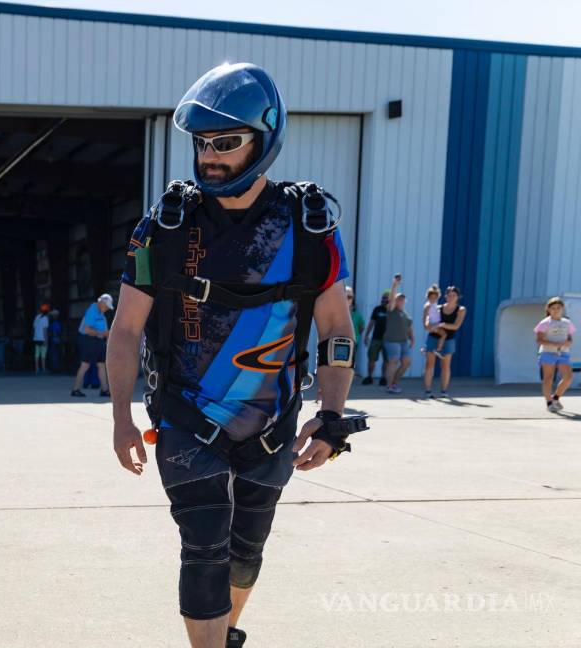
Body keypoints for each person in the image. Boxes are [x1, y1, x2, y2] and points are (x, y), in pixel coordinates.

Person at [108, 63, 361, 648]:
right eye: (202, 144)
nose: (210, 157)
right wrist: (122, 415)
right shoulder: (163, 227)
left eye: (226, 143)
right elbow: (124, 329)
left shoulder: (309, 225)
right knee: (203, 546)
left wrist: (332, 415)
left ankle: (225, 634)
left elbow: (336, 329)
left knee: (247, 549)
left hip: (274, 423)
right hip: (185, 417)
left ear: (264, 139)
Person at [422, 286, 467, 398]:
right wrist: (429, 325)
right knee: (429, 364)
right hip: (433, 337)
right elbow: (428, 324)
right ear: (445, 296)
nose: (451, 297)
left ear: (458, 297)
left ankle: (444, 391)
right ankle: (428, 391)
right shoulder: (437, 308)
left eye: (454, 295)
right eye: (449, 295)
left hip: (449, 340)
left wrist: (443, 325)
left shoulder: (461, 309)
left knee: (445, 366)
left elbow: (456, 326)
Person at [535, 297, 575, 412]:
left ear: (562, 309)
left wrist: (567, 343)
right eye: (553, 308)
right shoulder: (545, 323)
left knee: (568, 378)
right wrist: (553, 344)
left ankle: (556, 398)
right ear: (549, 309)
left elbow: (570, 339)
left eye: (558, 308)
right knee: (548, 378)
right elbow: (539, 340)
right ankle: (549, 403)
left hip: (563, 353)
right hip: (547, 353)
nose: (556, 310)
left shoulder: (567, 322)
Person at [71, 294, 112, 397]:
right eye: (106, 306)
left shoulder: (101, 313)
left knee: (101, 365)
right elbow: (87, 330)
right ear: (101, 303)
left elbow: (104, 331)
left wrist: (105, 337)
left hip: (98, 341)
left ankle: (104, 390)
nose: (107, 309)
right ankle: (75, 389)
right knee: (85, 364)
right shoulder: (92, 311)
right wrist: (104, 333)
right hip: (88, 340)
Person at [381, 278, 413, 394]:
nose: (401, 301)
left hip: (404, 341)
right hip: (391, 340)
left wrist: (412, 339)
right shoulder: (391, 310)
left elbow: (409, 327)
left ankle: (394, 382)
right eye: (399, 299)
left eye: (403, 300)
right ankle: (389, 386)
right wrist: (395, 285)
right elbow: (392, 298)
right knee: (393, 361)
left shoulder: (405, 314)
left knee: (406, 362)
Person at [361, 291, 390, 386]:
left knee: (386, 360)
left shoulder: (393, 310)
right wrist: (366, 335)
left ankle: (383, 378)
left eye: (386, 297)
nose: (384, 299)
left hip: (388, 340)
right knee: (371, 359)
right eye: (383, 297)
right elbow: (371, 323)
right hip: (376, 338)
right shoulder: (377, 309)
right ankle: (369, 377)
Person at [346, 286, 365, 377]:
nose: (347, 299)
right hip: (336, 341)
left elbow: (362, 327)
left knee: (351, 359)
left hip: (353, 341)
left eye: (350, 297)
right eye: (345, 296)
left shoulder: (357, 315)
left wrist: (355, 334)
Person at [421, 284, 444, 355]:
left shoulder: (435, 305)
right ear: (428, 297)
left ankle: (426, 348)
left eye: (435, 298)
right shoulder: (427, 305)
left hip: (437, 323)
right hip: (433, 324)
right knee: (444, 334)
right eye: (431, 297)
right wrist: (425, 324)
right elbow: (424, 316)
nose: (433, 299)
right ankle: (438, 349)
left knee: (440, 335)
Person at [32, 304, 50, 373]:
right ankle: (43, 368)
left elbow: (34, 327)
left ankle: (36, 368)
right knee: (43, 354)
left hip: (36, 338)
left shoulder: (37, 317)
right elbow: (45, 330)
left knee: (37, 354)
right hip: (42, 338)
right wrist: (46, 340)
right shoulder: (45, 318)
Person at [47, 308, 63, 372]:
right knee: (55, 354)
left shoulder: (54, 323)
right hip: (56, 340)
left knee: (54, 354)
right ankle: (55, 366)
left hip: (54, 340)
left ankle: (54, 367)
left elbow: (56, 332)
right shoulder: (56, 323)